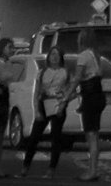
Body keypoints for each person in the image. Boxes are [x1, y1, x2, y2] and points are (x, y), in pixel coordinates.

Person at [21, 44, 72, 178]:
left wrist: (63, 104)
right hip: (44, 104)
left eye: (57, 55)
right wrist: (37, 110)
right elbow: (36, 92)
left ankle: (51, 169)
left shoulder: (65, 72)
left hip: (58, 105)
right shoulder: (42, 72)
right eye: (52, 54)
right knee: (34, 137)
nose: (54, 57)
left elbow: (71, 91)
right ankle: (25, 166)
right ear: (48, 57)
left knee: (56, 138)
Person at [69, 32, 103, 183]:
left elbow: (78, 77)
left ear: (82, 41)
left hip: (90, 98)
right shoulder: (95, 55)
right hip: (98, 96)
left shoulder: (83, 56)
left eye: (78, 39)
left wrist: (67, 94)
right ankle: (94, 169)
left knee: (91, 135)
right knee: (94, 134)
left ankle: (92, 171)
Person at [0, 38, 21, 180]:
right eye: (9, 47)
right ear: (2, 48)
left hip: (4, 101)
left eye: (12, 47)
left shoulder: (8, 63)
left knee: (0, 137)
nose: (12, 50)